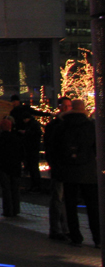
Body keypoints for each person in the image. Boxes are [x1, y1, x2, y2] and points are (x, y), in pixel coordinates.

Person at [50, 99, 100, 247]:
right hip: (88, 171)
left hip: (68, 171)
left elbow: (54, 149)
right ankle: (97, 238)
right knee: (92, 206)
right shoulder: (91, 126)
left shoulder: (62, 127)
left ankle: (76, 236)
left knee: (70, 206)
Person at [44, 95, 72, 240]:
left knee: (61, 199)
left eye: (69, 106)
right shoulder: (55, 126)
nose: (66, 109)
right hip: (60, 167)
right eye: (64, 106)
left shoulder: (57, 125)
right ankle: (58, 229)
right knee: (58, 198)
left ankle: (63, 228)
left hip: (63, 167)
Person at [0, 118, 22, 217]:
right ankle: (16, 209)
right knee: (15, 189)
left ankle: (8, 210)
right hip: (15, 166)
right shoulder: (16, 138)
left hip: (2, 167)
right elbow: (22, 153)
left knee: (6, 189)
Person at [22, 111, 43, 192]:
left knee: (33, 168)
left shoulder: (32, 125)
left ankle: (35, 185)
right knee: (34, 167)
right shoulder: (34, 124)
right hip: (34, 148)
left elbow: (36, 134)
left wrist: (26, 133)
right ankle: (36, 185)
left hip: (32, 148)